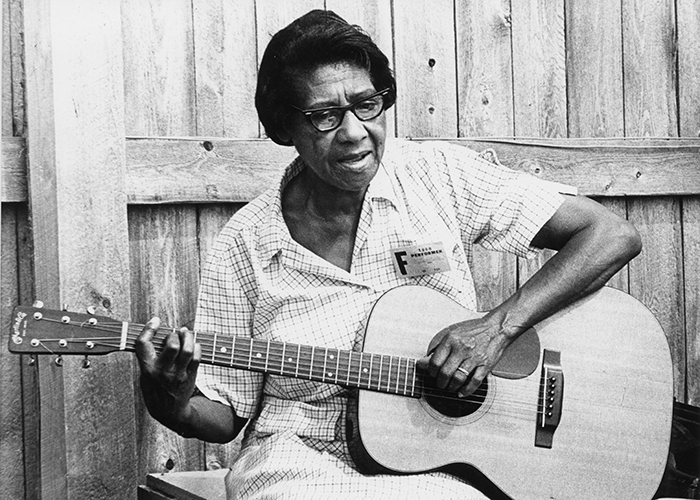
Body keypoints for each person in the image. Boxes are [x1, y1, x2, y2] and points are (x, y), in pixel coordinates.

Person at [135, 9, 641, 500]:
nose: (354, 131)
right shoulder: (245, 243)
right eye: (324, 116)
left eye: (366, 104)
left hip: (443, 461)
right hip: (299, 462)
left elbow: (609, 235)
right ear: (284, 128)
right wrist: (171, 395)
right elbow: (225, 418)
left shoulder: (435, 175)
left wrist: (497, 327)